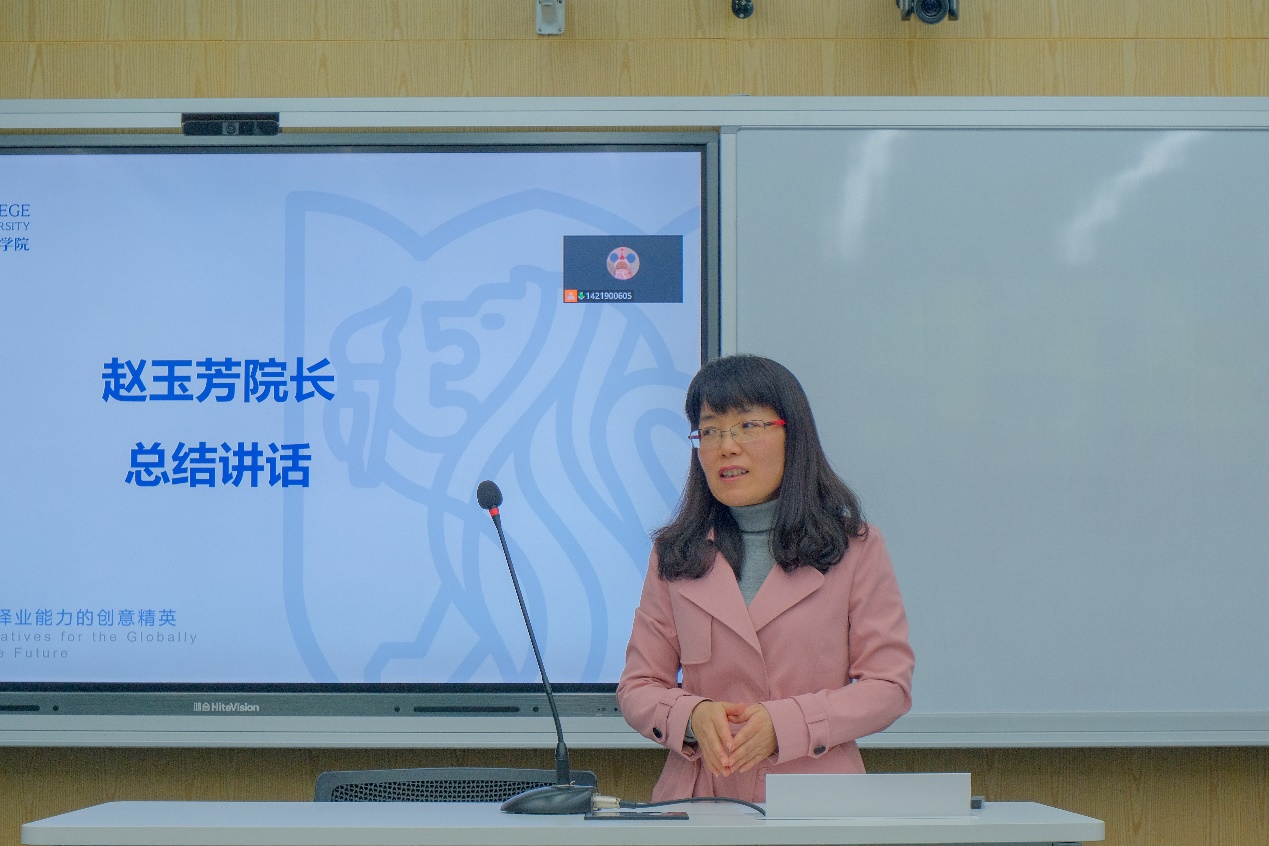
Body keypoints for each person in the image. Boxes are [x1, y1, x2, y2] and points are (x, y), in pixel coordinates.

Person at [616, 354, 914, 803]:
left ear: (793, 436)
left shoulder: (854, 547)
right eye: (710, 431)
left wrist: (789, 724)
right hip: (699, 801)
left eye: (747, 426)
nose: (726, 446)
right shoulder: (676, 552)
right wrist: (691, 716)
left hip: (815, 802)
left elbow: (888, 686)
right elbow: (638, 686)